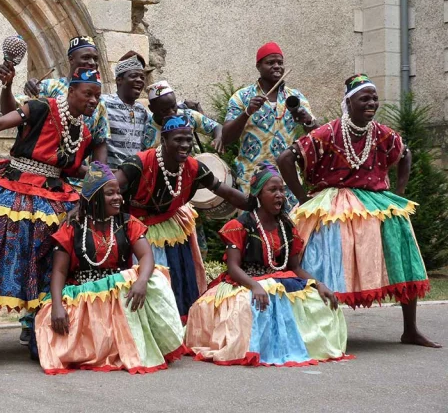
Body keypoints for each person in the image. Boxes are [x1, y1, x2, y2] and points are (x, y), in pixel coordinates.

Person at [0, 68, 101, 372]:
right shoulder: (42, 107)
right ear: (71, 91)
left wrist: (106, 182)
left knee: (49, 266)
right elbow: (3, 122)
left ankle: (42, 335)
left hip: (52, 198)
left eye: (97, 95)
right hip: (12, 193)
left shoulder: (84, 132)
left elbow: (75, 169)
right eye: (88, 94)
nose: (93, 100)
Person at [277, 74, 441, 348]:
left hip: (375, 202)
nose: (372, 103)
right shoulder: (328, 131)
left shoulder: (381, 133)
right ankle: (319, 328)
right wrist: (304, 197)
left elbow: (405, 154)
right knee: (325, 258)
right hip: (333, 204)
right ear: (348, 102)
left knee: (402, 247)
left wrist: (398, 195)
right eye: (365, 98)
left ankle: (410, 329)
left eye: (375, 98)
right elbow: (285, 158)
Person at [185, 162, 350, 367]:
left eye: (282, 190)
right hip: (245, 281)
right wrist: (255, 286)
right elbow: (233, 268)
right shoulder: (240, 225)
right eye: (273, 190)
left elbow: (295, 268)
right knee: (251, 304)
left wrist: (319, 284)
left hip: (281, 280)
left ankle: (302, 346)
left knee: (318, 301)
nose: (280, 194)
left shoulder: (287, 226)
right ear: (258, 195)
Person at [35, 162, 185, 374]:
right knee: (51, 341)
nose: (118, 198)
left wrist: (141, 282)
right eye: (110, 193)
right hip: (84, 297)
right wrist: (58, 306)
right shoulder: (73, 227)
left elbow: (146, 256)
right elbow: (59, 271)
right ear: (94, 197)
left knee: (154, 277)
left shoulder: (128, 223)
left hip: (120, 296)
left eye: (119, 192)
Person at [115, 115, 248, 320]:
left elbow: (225, 192)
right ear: (164, 140)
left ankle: (178, 324)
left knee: (178, 279)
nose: (185, 145)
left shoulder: (195, 168)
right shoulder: (139, 163)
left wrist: (254, 204)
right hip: (135, 228)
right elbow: (109, 186)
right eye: (178, 139)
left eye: (188, 139)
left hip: (170, 228)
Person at [222, 42, 317, 208]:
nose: (277, 66)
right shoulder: (242, 97)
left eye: (280, 62)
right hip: (252, 181)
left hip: (288, 182)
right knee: (255, 231)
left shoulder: (296, 97)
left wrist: (308, 121)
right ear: (258, 66)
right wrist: (247, 113)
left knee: (290, 230)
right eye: (270, 62)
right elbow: (226, 137)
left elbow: (317, 136)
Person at [0, 35, 109, 165]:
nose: (91, 62)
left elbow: (99, 143)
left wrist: (99, 179)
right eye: (85, 57)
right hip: (38, 175)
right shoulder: (49, 88)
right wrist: (7, 84)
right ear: (71, 59)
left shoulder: (99, 102)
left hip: (76, 178)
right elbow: (10, 112)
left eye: (95, 58)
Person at [142, 81, 224, 153]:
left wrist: (219, 138)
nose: (171, 113)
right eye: (164, 110)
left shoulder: (188, 116)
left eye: (173, 106)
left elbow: (216, 127)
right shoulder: (145, 129)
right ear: (152, 109)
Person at [103, 51, 150, 169]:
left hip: (134, 178)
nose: (140, 80)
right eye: (134, 76)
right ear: (119, 80)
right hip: (109, 177)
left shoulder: (141, 111)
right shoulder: (104, 104)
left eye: (142, 77)